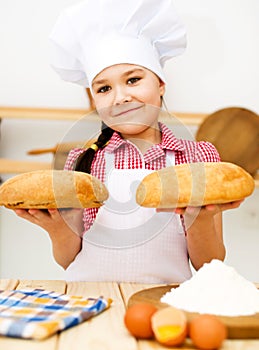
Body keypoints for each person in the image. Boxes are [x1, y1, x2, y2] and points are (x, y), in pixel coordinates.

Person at [15, 0, 242, 283]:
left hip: (164, 301)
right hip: (90, 299)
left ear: (160, 83)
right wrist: (57, 229)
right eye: (104, 88)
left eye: (133, 80)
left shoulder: (198, 158)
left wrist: (201, 217)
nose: (120, 97)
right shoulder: (80, 161)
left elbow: (209, 263)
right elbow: (68, 260)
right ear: (94, 99)